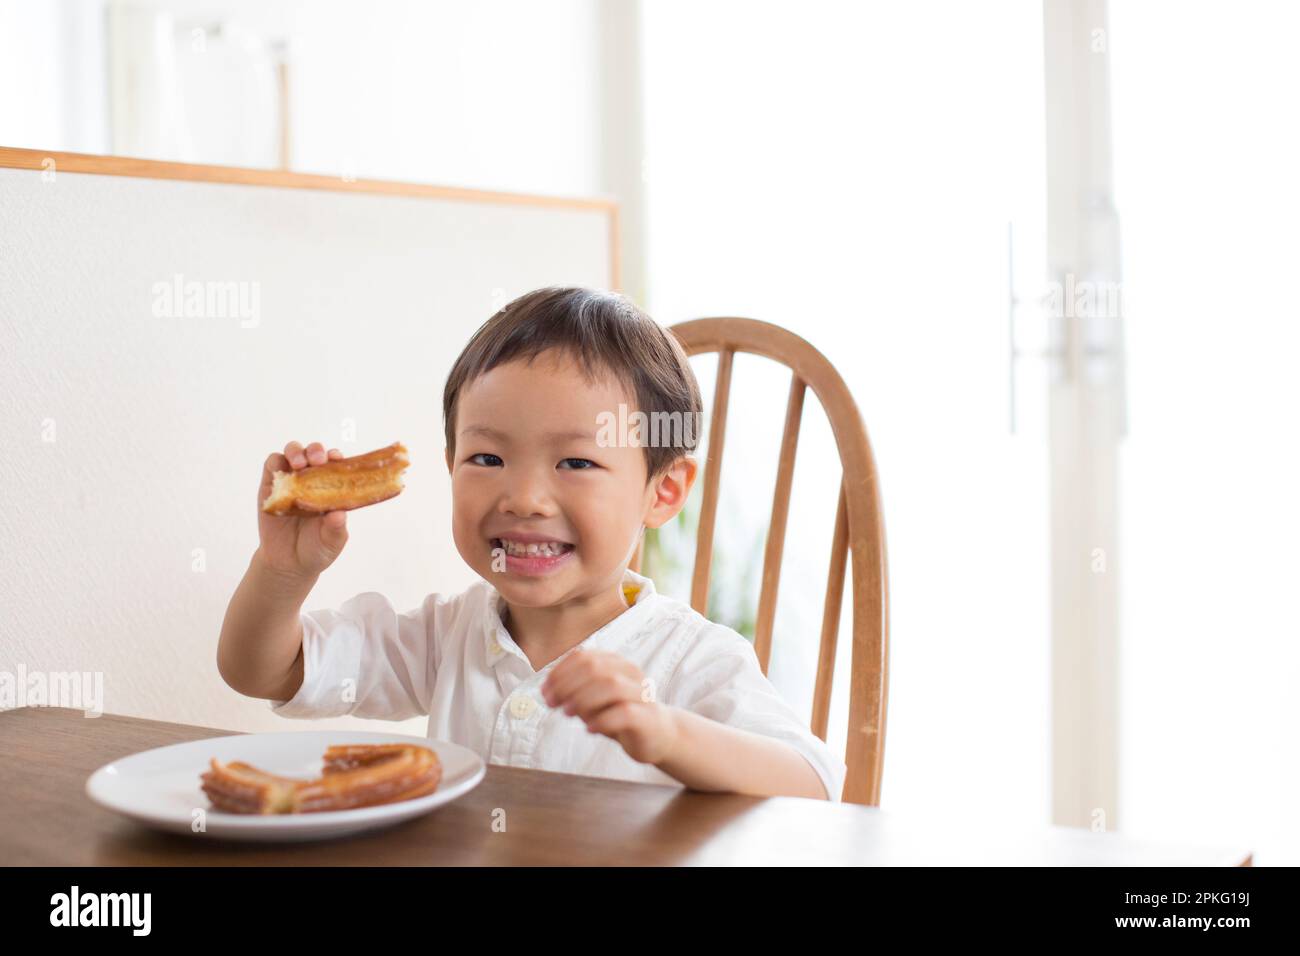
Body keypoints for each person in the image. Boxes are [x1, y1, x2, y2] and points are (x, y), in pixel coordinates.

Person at [217, 286, 845, 800]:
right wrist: (283, 570)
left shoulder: (688, 660)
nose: (523, 498)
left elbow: (813, 785)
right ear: (449, 462)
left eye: (575, 463)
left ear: (663, 491)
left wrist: (667, 733)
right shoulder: (443, 639)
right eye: (487, 456)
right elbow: (259, 670)